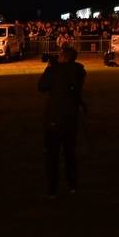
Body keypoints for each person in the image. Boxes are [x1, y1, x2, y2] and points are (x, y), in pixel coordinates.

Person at [38, 45, 86, 198]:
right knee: (70, 153)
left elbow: (42, 86)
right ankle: (72, 186)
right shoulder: (78, 71)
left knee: (52, 156)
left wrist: (50, 68)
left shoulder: (55, 70)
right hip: (70, 118)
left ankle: (53, 189)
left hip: (54, 118)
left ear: (64, 57)